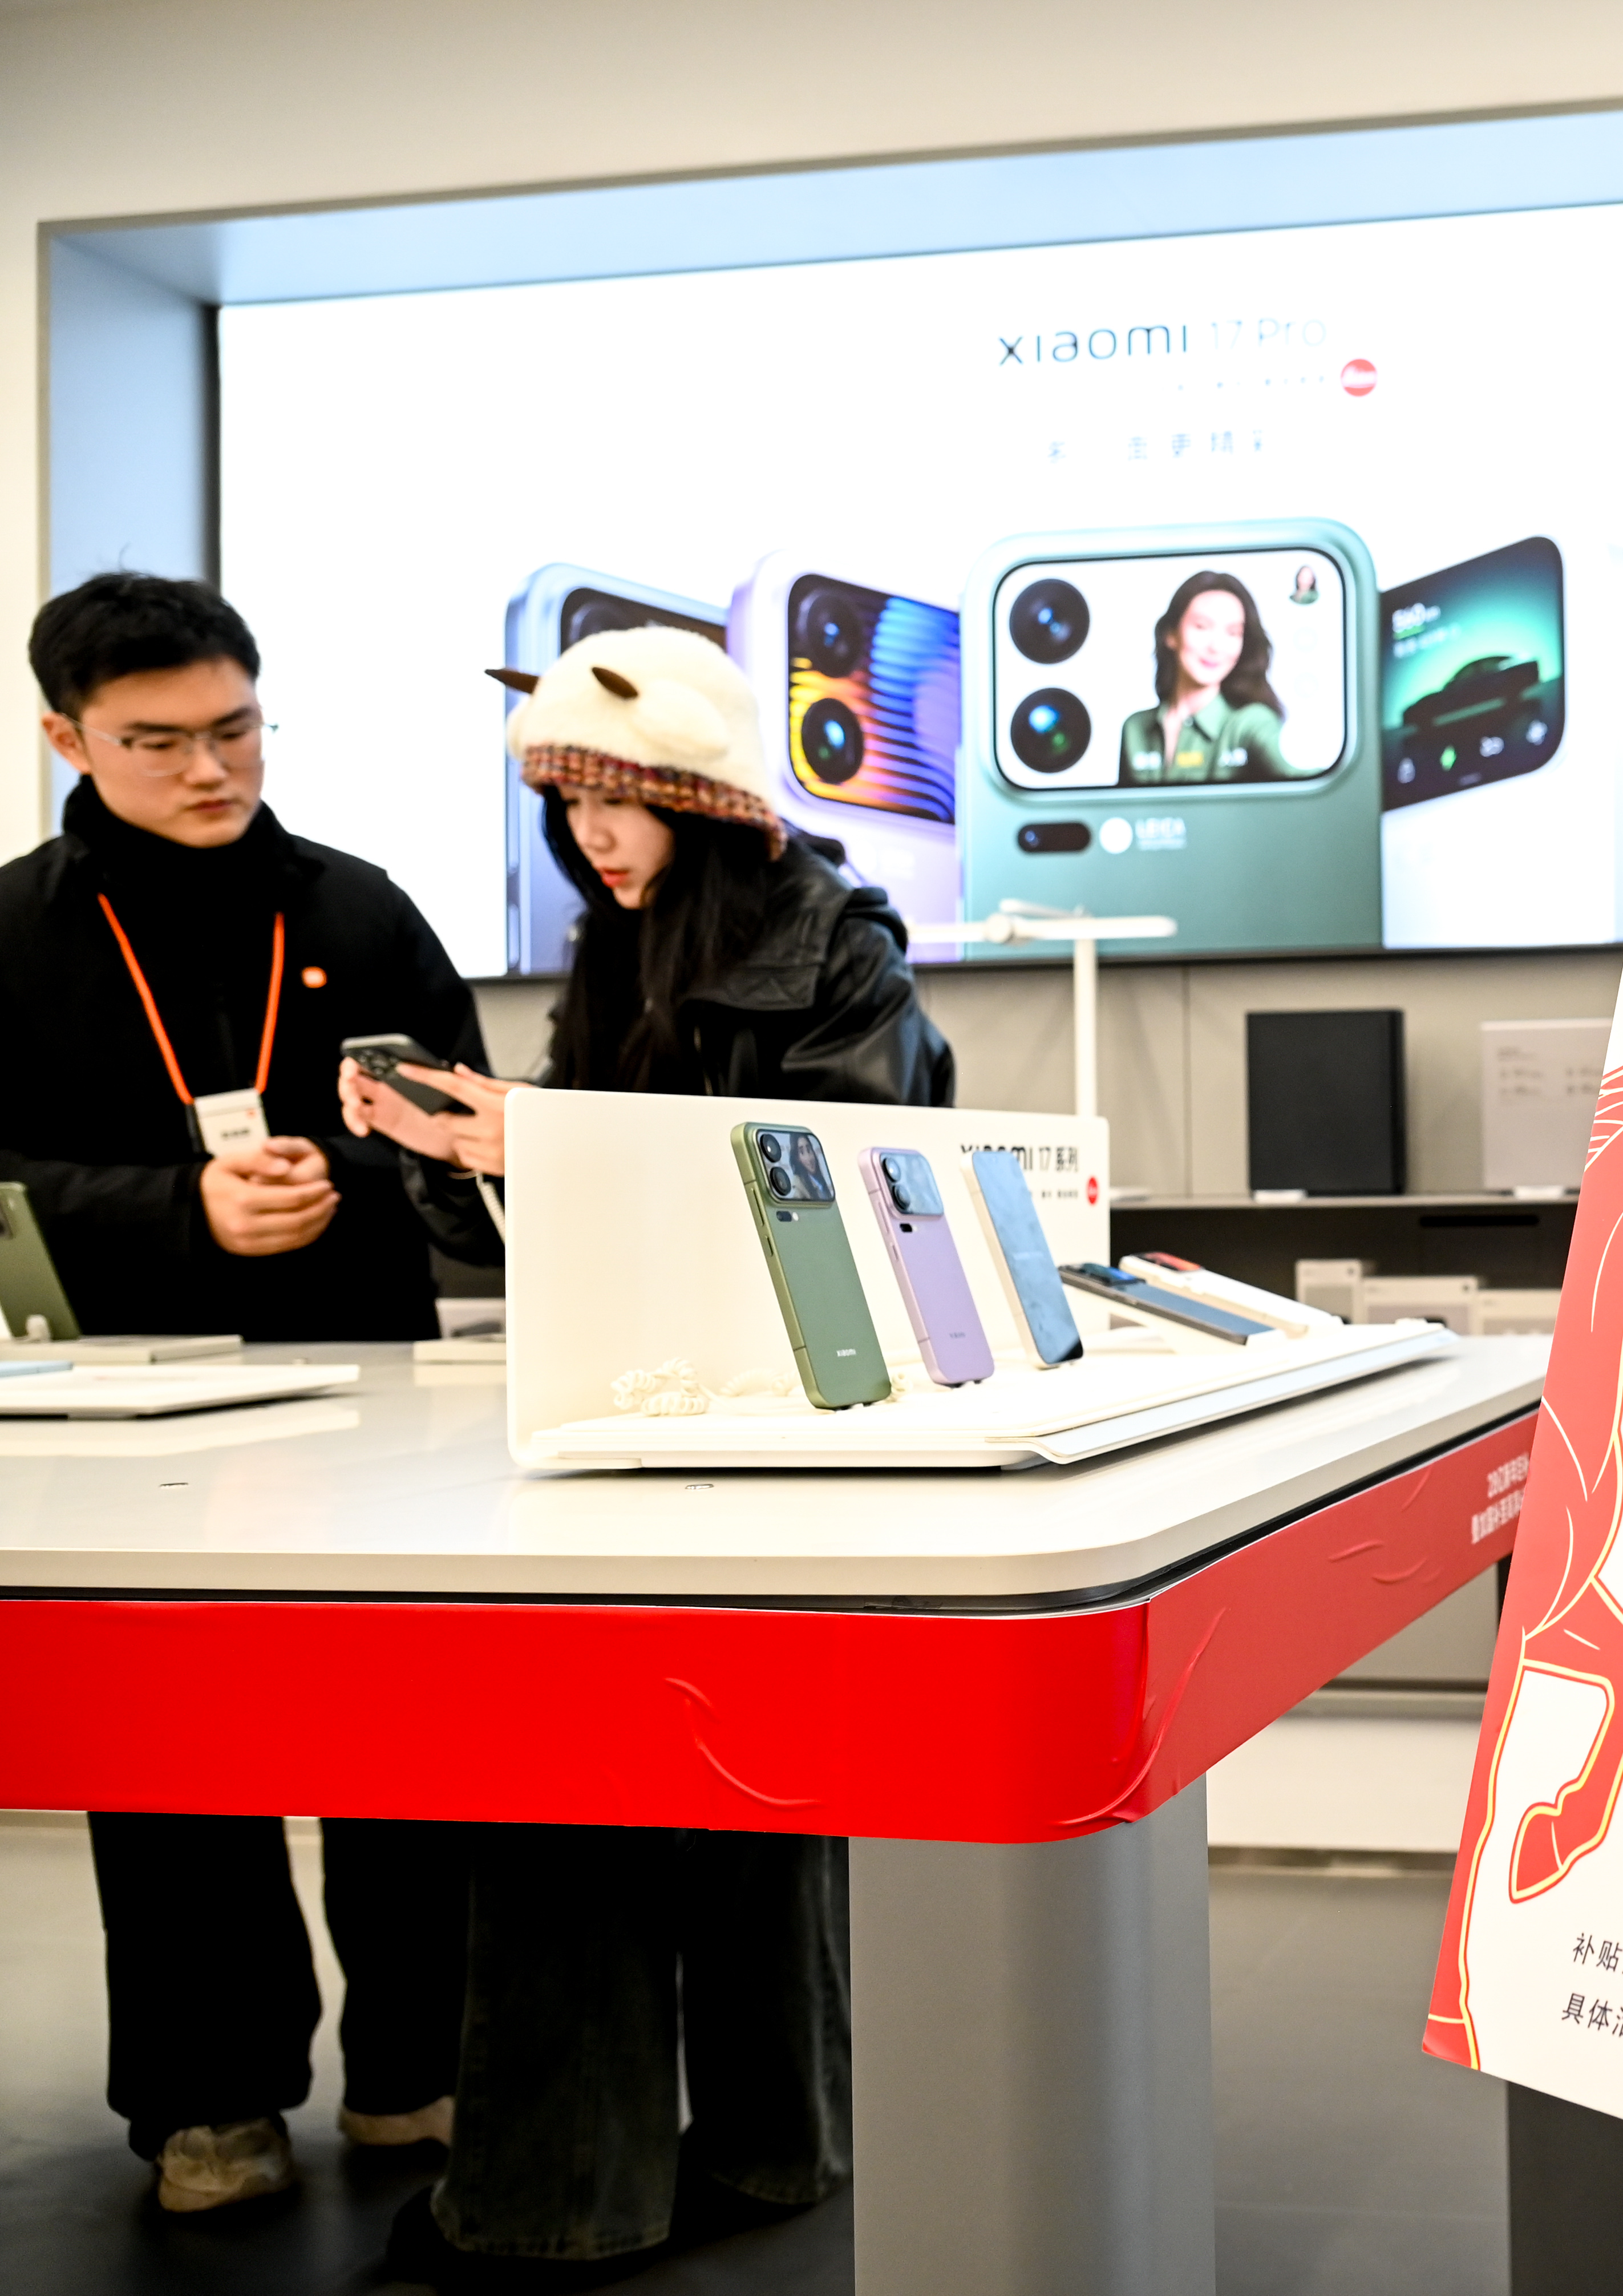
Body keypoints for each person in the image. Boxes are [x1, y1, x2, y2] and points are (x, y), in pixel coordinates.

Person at [341, 623, 950, 2285]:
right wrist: (463, 1153)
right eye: (567, 804)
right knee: (713, 1775)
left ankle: (564, 2194)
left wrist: (548, 1138)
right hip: (656, 1409)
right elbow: (569, 1221)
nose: (590, 834)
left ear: (705, 796)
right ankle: (748, 2149)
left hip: (758, 1421)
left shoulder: (839, 946)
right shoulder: (626, 951)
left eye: (620, 800)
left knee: (595, 1774)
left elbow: (835, 1191)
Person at [1, 573, 480, 2209]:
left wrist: (350, 1172)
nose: (211, 768)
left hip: (371, 1388)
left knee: (404, 1740)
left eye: (237, 727)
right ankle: (210, 2098)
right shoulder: (11, 935)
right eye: (159, 741)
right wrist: (175, 1210)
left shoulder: (360, 910)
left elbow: (466, 1150)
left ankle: (419, 2063)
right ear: (67, 736)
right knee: (169, 1755)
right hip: (123, 1405)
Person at [1120, 568, 1295, 784]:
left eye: (1233, 633)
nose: (1216, 647)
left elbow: (1313, 784)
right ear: (1171, 634)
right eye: (1202, 627)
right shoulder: (1135, 728)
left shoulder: (1252, 723)